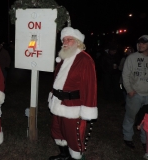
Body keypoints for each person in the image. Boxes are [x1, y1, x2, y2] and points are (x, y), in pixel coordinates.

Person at [48, 27, 98, 160]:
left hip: (74, 106)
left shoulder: (85, 60)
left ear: (78, 42)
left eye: (69, 39)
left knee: (73, 135)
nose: (65, 42)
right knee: (57, 130)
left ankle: (75, 157)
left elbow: (90, 86)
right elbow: (56, 80)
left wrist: (88, 109)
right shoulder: (63, 57)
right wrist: (52, 95)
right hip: (58, 102)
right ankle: (64, 154)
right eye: (64, 40)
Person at [122, 35, 148, 150]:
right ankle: (127, 137)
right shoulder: (132, 58)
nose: (141, 45)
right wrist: (129, 90)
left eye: (144, 43)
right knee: (130, 116)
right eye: (139, 43)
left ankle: (145, 139)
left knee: (147, 118)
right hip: (135, 94)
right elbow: (125, 75)